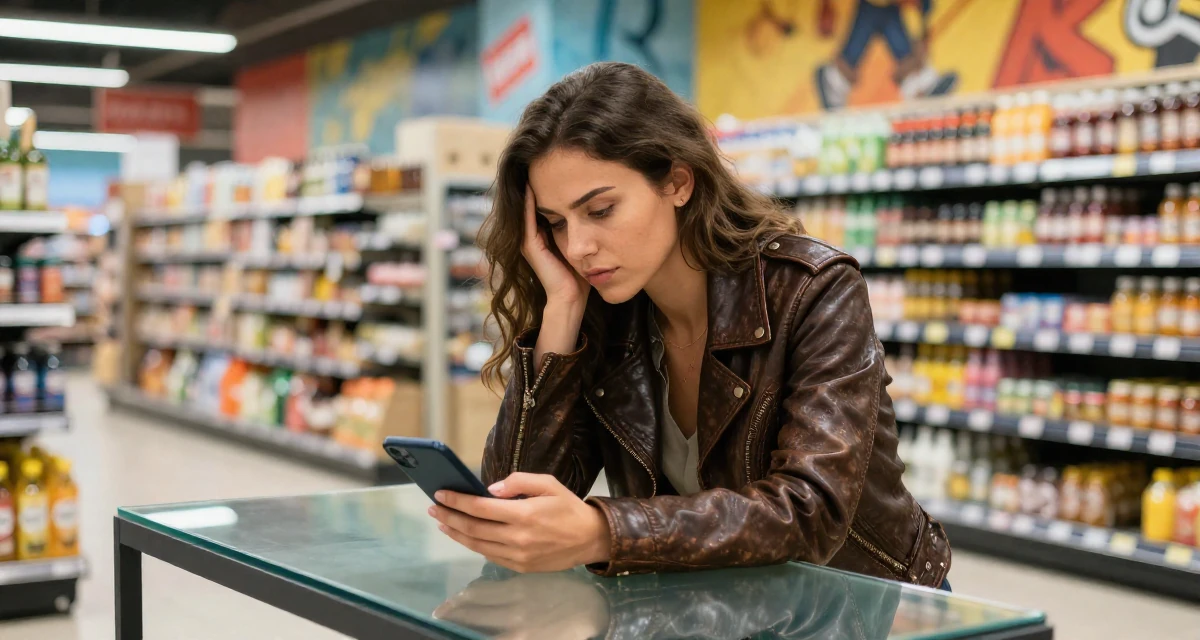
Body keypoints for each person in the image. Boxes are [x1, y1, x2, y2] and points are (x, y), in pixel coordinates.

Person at [426, 61, 951, 589]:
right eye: (556, 224)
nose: (577, 247)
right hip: (719, 604)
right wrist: (560, 313)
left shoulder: (812, 291)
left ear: (677, 182)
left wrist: (606, 532)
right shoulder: (607, 315)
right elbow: (515, 497)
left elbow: (811, 509)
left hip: (865, 605)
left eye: (601, 210)